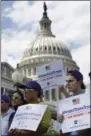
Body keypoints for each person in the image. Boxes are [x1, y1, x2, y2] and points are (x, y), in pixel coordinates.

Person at [59, 70, 90, 136]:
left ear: (80, 81)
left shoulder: (88, 96)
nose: (67, 84)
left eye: (70, 81)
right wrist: (61, 119)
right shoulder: (66, 103)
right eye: (66, 81)